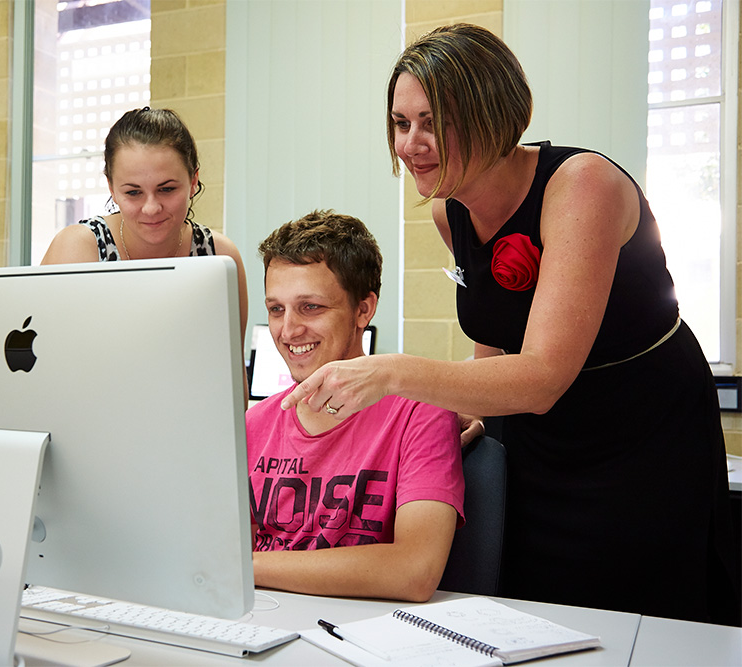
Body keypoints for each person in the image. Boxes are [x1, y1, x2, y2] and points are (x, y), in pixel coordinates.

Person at [281, 24, 740, 625]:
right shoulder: (451, 213)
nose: (411, 143)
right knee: (538, 606)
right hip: (539, 440)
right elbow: (494, 348)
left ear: (491, 113)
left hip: (640, 431)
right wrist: (450, 424)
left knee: (638, 614)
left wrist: (390, 373)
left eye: (433, 122)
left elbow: (543, 375)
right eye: (400, 123)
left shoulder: (582, 187)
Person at [248, 210, 465, 602]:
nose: (288, 330)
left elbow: (414, 572)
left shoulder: (419, 413)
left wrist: (246, 567)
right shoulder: (253, 424)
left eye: (310, 307)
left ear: (363, 310)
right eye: (276, 309)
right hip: (262, 618)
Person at [41, 107, 247, 332]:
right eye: (133, 192)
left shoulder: (218, 256)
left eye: (167, 189)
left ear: (193, 180)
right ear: (111, 187)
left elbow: (232, 364)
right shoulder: (78, 250)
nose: (151, 208)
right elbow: (44, 355)